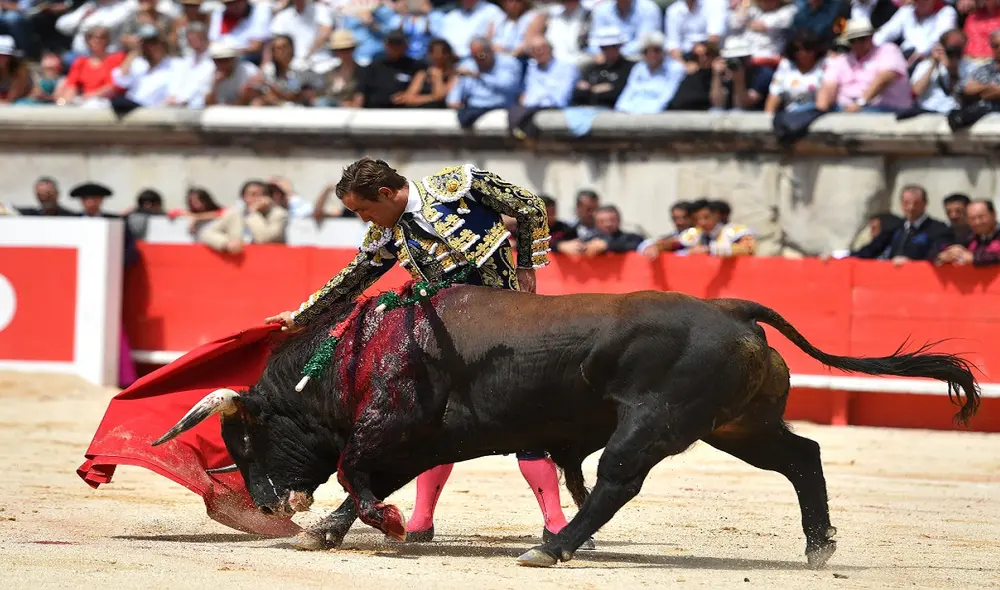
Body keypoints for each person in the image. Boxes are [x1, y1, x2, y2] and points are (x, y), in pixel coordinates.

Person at [266, 157, 594, 549]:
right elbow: (353, 276)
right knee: (432, 423)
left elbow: (530, 207)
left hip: (509, 330)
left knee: (528, 423)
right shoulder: (385, 234)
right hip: (448, 341)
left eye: (364, 209)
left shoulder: (460, 183)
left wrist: (526, 265)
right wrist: (302, 316)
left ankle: (556, 524)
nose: (364, 219)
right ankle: (421, 519)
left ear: (387, 194)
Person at [69, 181, 140, 389]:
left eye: (94, 198)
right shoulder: (70, 220)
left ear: (101, 200)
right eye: (86, 199)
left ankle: (123, 377)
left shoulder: (116, 222)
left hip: (107, 285)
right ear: (81, 201)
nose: (90, 202)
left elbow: (131, 254)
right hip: (73, 285)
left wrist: (111, 267)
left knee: (110, 326)